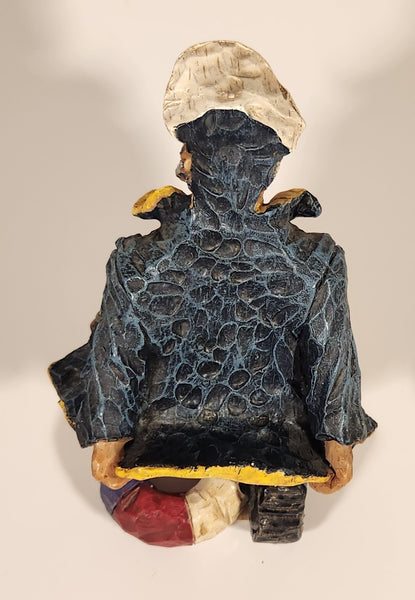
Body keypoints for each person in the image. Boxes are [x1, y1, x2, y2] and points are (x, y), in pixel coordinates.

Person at [49, 41, 377, 545]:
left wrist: (107, 439)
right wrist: (338, 441)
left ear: (190, 161)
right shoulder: (317, 259)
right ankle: (271, 492)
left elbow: (116, 356)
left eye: (186, 151)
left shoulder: (137, 258)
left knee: (97, 342)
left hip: (164, 434)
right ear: (272, 165)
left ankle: (238, 488)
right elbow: (331, 358)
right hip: (278, 435)